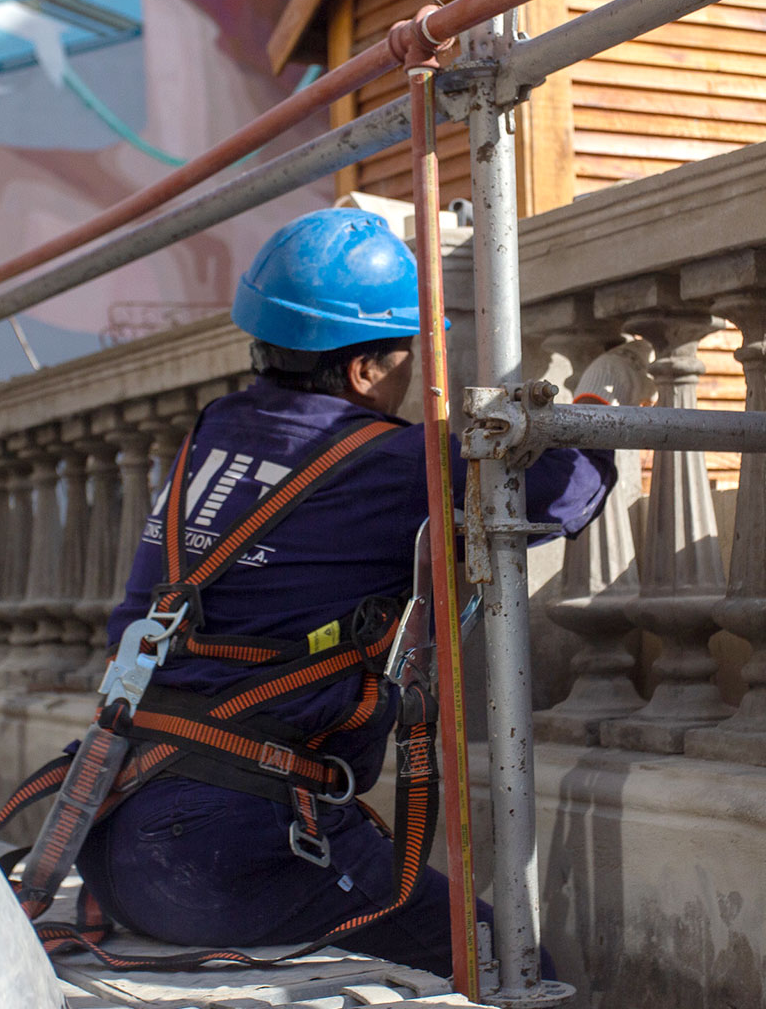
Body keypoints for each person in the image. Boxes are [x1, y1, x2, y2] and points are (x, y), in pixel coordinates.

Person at [73, 208, 632, 977]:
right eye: (403, 356)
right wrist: (595, 417)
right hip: (228, 857)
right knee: (507, 964)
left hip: (111, 832)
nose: (408, 374)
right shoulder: (392, 464)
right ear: (366, 369)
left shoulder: (212, 432)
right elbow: (562, 487)